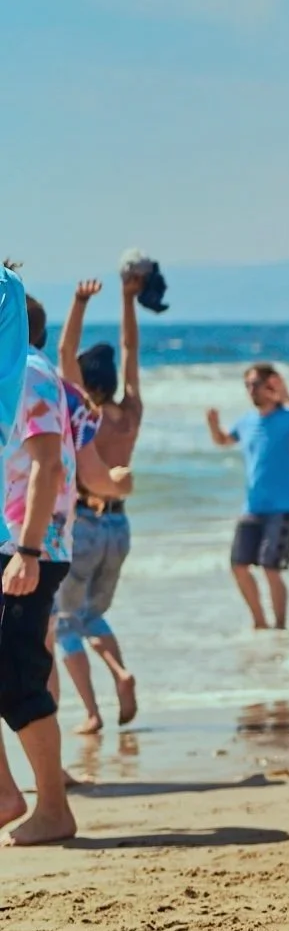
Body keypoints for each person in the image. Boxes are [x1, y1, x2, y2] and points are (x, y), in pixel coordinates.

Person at [1, 279, 78, 845]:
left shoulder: (28, 370)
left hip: (30, 547)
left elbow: (47, 464)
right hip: (11, 543)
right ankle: (6, 796)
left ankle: (54, 809)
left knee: (18, 675)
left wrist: (28, 552)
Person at [51, 272, 144, 732]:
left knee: (65, 622)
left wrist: (79, 302)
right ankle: (121, 673)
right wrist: (128, 300)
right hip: (119, 527)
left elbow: (64, 351)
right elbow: (130, 349)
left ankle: (92, 711)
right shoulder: (131, 413)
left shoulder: (82, 411)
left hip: (85, 522)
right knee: (93, 614)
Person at [206, 364, 289, 630]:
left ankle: (280, 626)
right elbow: (224, 440)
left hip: (284, 506)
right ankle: (260, 623)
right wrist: (213, 426)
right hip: (252, 506)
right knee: (238, 565)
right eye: (248, 385)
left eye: (256, 384)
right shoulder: (247, 421)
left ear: (270, 385)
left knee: (271, 568)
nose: (251, 390)